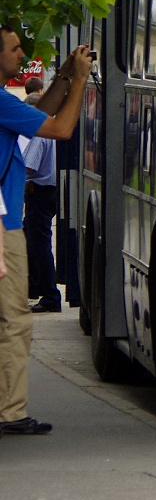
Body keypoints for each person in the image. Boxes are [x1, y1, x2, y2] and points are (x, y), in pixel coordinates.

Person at [0, 26, 92, 436]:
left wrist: (64, 77)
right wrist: (82, 83)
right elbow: (60, 128)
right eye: (15, 48)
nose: (22, 55)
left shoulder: (6, 102)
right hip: (4, 226)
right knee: (15, 319)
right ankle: (10, 412)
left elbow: (40, 116)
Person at [21, 92, 60, 313]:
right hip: (50, 192)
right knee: (31, 238)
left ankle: (50, 296)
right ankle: (34, 287)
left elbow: (29, 166)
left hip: (39, 192)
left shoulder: (39, 135)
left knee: (40, 245)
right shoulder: (53, 131)